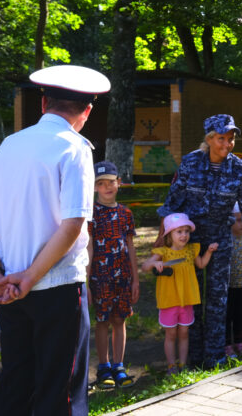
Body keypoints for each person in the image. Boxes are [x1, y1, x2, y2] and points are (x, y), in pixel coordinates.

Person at [0, 65, 109, 415]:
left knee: (16, 382)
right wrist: (31, 277)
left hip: (8, 286)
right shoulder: (75, 147)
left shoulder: (7, 146)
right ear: (87, 111)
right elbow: (72, 224)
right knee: (60, 389)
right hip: (55, 288)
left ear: (42, 104)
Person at [157, 114, 242, 368]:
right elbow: (171, 204)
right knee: (192, 299)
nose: (226, 144)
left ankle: (214, 356)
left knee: (218, 300)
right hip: (187, 241)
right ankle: (192, 357)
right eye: (220, 138)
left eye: (230, 138)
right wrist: (161, 245)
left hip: (219, 240)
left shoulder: (238, 170)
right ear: (209, 139)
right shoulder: (191, 163)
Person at [143, 214, 218, 375]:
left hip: (187, 299)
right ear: (169, 234)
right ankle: (171, 366)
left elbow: (202, 264)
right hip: (169, 300)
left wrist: (209, 252)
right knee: (170, 334)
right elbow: (145, 266)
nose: (184, 235)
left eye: (186, 231)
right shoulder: (162, 252)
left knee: (184, 333)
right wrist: (155, 263)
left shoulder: (191, 250)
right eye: (179, 231)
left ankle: (183, 364)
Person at [87, 160, 138, 388]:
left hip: (123, 277)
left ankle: (119, 365)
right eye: (101, 183)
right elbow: (88, 247)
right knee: (102, 320)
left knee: (120, 320)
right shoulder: (90, 213)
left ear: (119, 183)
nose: (107, 186)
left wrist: (136, 279)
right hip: (100, 277)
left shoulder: (126, 214)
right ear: (95, 186)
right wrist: (87, 283)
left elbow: (130, 247)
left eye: (111, 182)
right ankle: (104, 366)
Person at [225, 208, 242, 357]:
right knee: (228, 315)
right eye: (239, 220)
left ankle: (240, 341)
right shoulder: (226, 241)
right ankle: (227, 344)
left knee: (240, 314)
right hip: (229, 285)